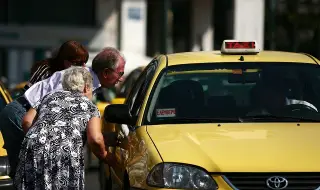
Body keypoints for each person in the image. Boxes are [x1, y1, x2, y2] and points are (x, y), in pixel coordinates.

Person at [0, 40, 89, 178]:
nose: (83, 66)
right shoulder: (50, 73)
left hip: (19, 111)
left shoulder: (58, 72)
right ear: (65, 61)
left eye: (85, 62)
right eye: (78, 62)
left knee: (23, 168)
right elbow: (41, 104)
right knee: (29, 169)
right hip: (22, 111)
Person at [14, 67, 113, 190]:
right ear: (86, 87)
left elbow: (26, 121)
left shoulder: (48, 96)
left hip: (34, 145)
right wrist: (106, 156)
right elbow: (95, 139)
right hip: (65, 150)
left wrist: (42, 138)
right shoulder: (90, 107)